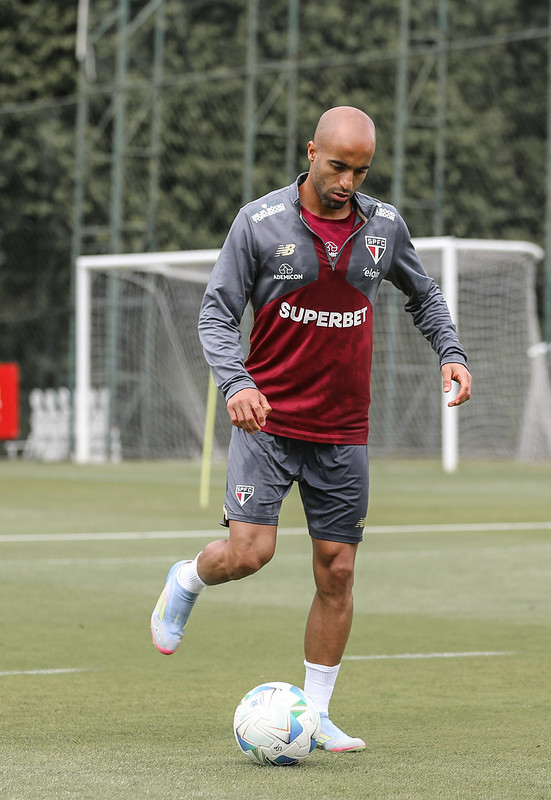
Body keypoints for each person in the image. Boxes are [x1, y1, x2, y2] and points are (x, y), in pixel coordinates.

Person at [150, 106, 472, 753]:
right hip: (268, 422)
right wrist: (237, 383)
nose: (347, 181)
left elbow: (424, 295)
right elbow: (216, 315)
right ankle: (186, 579)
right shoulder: (260, 225)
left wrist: (453, 353)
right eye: (337, 166)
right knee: (250, 555)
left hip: (343, 429)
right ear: (310, 152)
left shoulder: (383, 228)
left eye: (360, 170)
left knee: (338, 569)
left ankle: (317, 714)